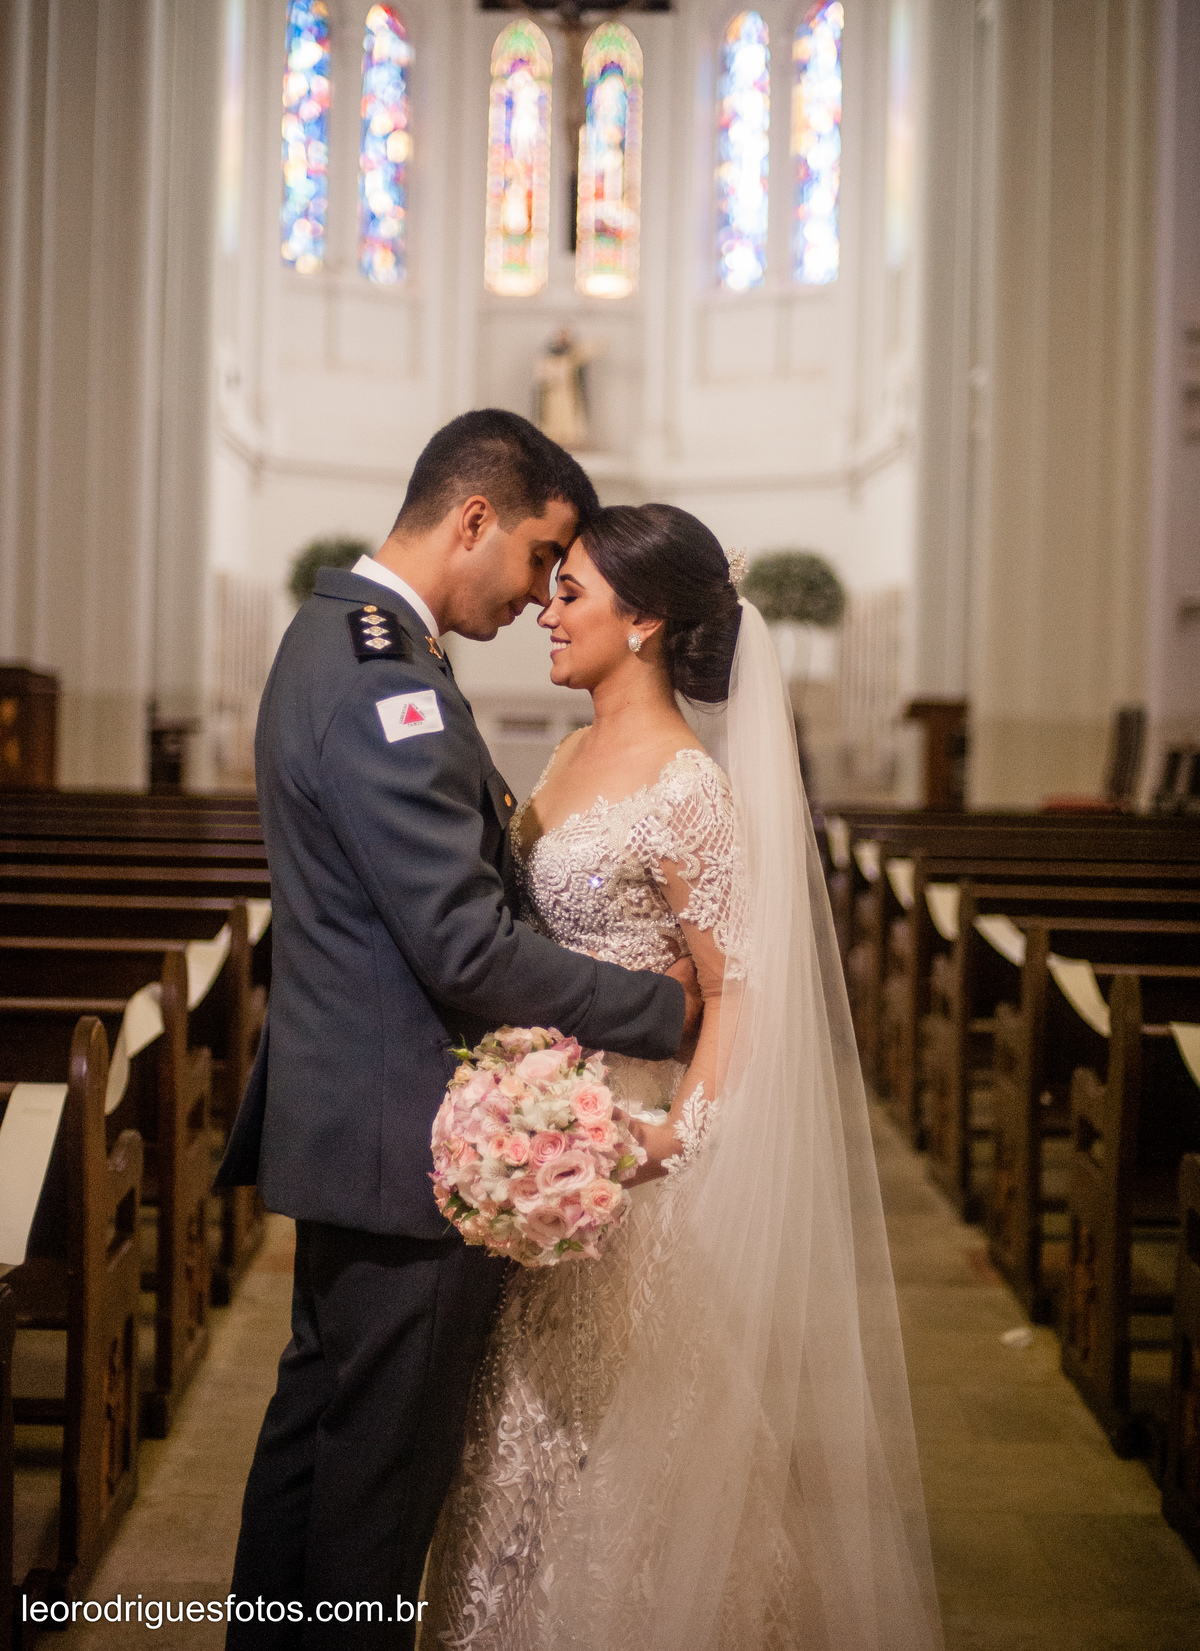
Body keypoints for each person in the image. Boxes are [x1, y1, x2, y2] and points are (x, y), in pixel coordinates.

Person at [216, 416, 701, 1647]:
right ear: (474, 518)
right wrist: (666, 1009)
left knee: (319, 1450)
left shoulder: (346, 640)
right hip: (403, 1149)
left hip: (355, 1126)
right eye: (542, 555)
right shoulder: (384, 675)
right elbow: (466, 949)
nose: (541, 592)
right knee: (376, 1496)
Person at [423, 504, 944, 1651]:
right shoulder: (567, 750)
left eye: (573, 594)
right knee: (513, 1430)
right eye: (549, 590)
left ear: (645, 620)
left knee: (612, 1435)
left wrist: (677, 1141)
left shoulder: (689, 790)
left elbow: (739, 988)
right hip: (539, 1113)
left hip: (622, 1143)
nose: (546, 611)